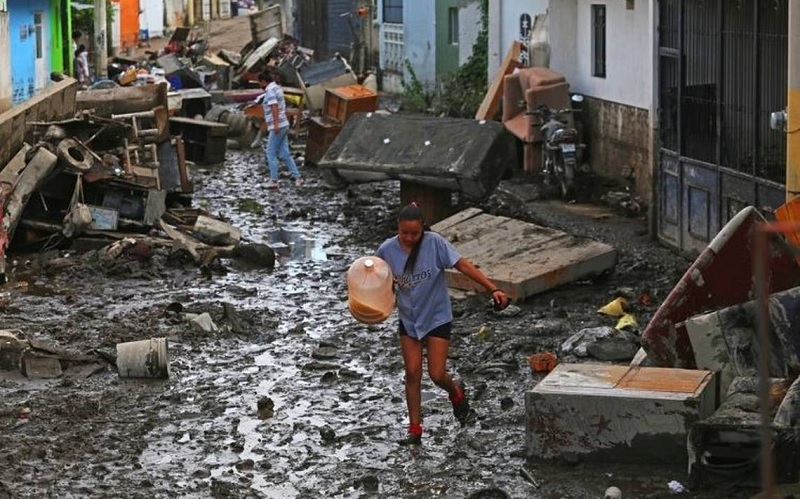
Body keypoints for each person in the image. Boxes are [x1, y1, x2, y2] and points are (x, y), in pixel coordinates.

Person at [376, 203, 510, 445]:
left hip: (437, 316)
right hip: (409, 319)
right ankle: (415, 429)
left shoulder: (435, 243)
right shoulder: (386, 250)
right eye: (404, 233)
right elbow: (373, 278)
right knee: (412, 373)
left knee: (437, 375)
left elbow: (462, 265)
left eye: (414, 233)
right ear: (398, 228)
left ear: (422, 229)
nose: (409, 238)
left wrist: (493, 289)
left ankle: (456, 391)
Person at [258, 69, 303, 189]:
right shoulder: (277, 88)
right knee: (285, 153)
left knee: (270, 153)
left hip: (278, 126)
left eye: (260, 82)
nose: (260, 85)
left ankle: (274, 180)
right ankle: (297, 177)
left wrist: (276, 124)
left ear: (264, 81)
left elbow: (274, 107)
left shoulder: (270, 91)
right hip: (284, 124)